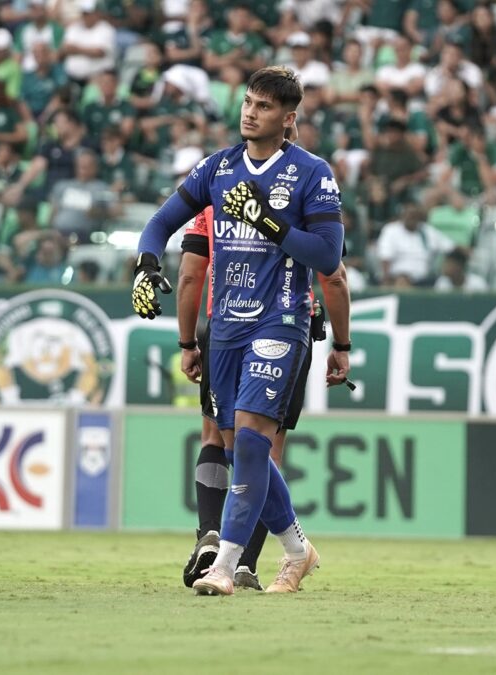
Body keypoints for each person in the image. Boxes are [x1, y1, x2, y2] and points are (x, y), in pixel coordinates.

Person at [132, 66, 343, 596]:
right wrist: (145, 264)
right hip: (225, 327)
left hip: (282, 320)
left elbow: (327, 256)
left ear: (288, 118)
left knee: (250, 438)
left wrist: (267, 220)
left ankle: (224, 567)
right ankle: (298, 550)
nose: (250, 112)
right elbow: (159, 223)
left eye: (264, 106)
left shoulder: (312, 173)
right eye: (248, 102)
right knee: (236, 450)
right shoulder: (218, 167)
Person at [176, 166, 353, 590]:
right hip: (286, 327)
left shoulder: (215, 192)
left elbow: (190, 274)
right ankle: (250, 561)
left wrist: (188, 341)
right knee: (262, 448)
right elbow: (333, 275)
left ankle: (215, 542)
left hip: (225, 328)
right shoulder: (308, 191)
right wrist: (342, 343)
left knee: (222, 440)